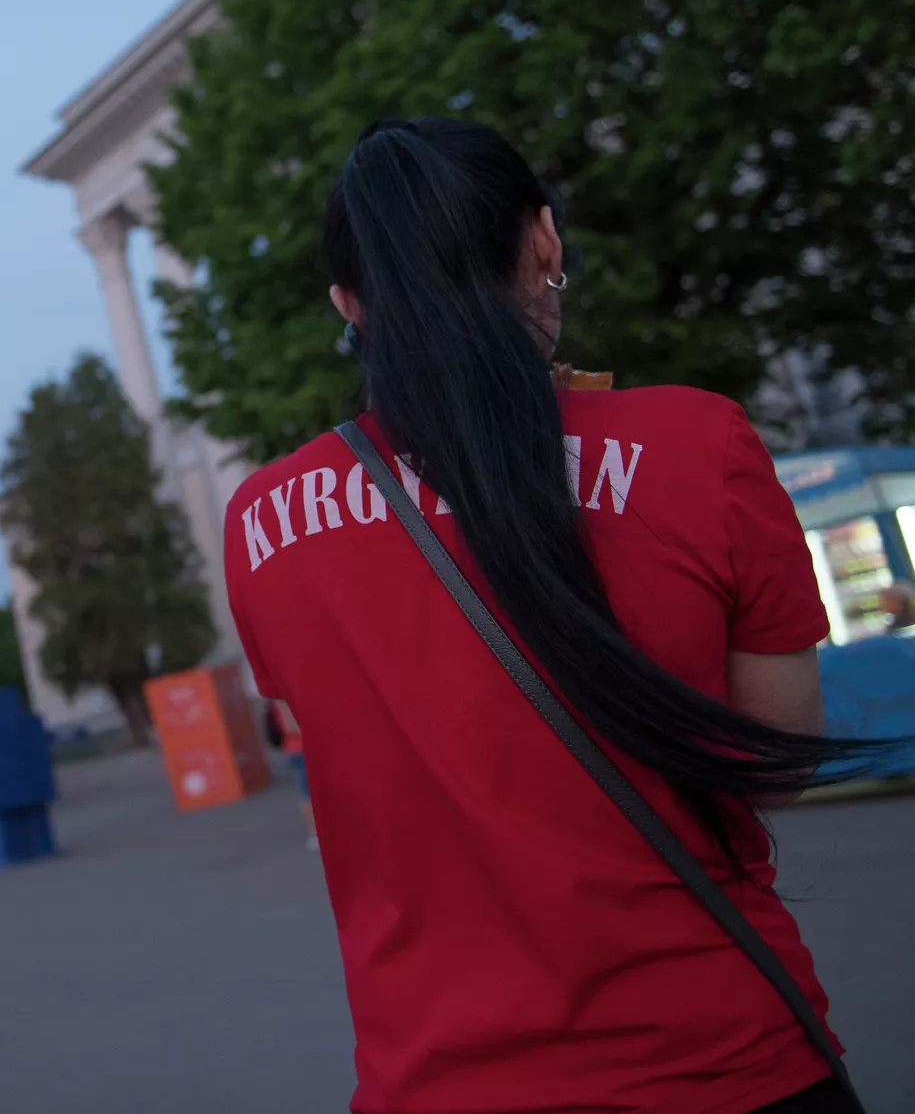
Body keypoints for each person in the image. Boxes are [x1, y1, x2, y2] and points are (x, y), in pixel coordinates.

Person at [224, 119, 874, 1114]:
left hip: (437, 1083)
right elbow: (775, 765)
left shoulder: (261, 525)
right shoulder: (700, 445)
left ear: (349, 304)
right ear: (544, 241)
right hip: (725, 1064)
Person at [265, 700, 316, 851]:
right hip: (300, 749)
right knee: (309, 793)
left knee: (311, 792)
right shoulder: (283, 701)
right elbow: (290, 726)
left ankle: (316, 832)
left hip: (296, 749)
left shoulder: (281, 700)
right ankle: (314, 834)